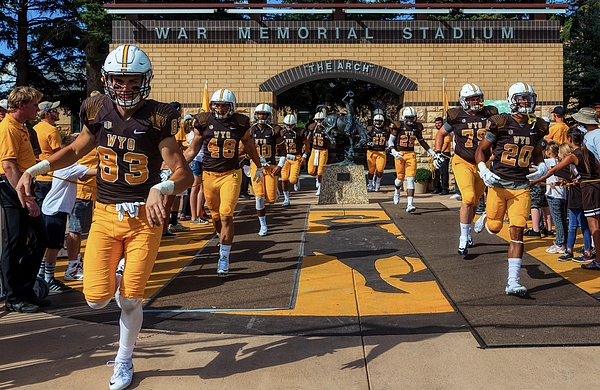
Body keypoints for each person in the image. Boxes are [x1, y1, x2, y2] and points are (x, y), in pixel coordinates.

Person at [15, 45, 193, 390]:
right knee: (96, 299)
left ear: (145, 80)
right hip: (106, 215)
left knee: (129, 298)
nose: (125, 87)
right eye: (118, 80)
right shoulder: (96, 107)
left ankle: (124, 359)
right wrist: (36, 168)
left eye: (132, 80)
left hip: (145, 217)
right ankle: (120, 272)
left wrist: (163, 187)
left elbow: (183, 173)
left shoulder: (159, 116)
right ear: (107, 80)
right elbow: (76, 148)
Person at [474, 82, 548, 296]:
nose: (526, 102)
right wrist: (482, 169)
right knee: (496, 228)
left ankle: (513, 282)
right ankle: (487, 217)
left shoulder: (539, 126)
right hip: (498, 184)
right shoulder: (500, 122)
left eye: (528, 98)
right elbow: (481, 150)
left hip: (521, 187)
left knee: (517, 233)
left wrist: (541, 166)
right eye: (521, 98)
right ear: (512, 100)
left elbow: (536, 153)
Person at [184, 88, 263, 276]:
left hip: (231, 174)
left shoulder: (240, 122)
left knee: (227, 214)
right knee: (216, 217)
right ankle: (223, 240)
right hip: (209, 174)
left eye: (224, 105)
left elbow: (249, 145)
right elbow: (192, 149)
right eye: (217, 105)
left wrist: (258, 166)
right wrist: (174, 166)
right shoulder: (203, 121)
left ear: (232, 106)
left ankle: (224, 256)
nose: (220, 109)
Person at [0, 86, 49, 313]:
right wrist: (27, 198)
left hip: (24, 186)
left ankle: (26, 289)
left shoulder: (21, 128)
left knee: (39, 237)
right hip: (12, 188)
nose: (37, 109)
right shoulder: (8, 128)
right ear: (21, 105)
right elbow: (9, 167)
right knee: (15, 243)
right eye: (34, 105)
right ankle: (13, 296)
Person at [436, 83, 498, 255]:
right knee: (469, 198)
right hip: (462, 160)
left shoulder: (490, 113)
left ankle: (468, 233)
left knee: (475, 202)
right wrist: (437, 152)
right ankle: (463, 238)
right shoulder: (456, 115)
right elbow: (441, 133)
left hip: (483, 164)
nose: (475, 102)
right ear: (464, 101)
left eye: (477, 98)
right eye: (471, 99)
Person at [533, 128, 599, 266]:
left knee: (594, 227)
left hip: (588, 191)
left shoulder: (573, 155)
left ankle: (597, 260)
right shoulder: (587, 152)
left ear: (570, 139)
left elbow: (554, 170)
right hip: (594, 188)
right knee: (593, 226)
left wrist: (534, 181)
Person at [39, 135, 96, 290]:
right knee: (54, 246)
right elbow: (93, 173)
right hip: (56, 209)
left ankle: (42, 275)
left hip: (55, 208)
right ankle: (48, 278)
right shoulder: (71, 166)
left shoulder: (64, 165)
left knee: (51, 244)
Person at [389, 106, 439, 213]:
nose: (411, 120)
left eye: (412, 118)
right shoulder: (398, 126)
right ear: (404, 117)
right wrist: (393, 151)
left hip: (411, 154)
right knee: (400, 179)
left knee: (411, 179)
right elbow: (390, 141)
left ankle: (410, 204)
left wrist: (433, 153)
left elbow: (421, 141)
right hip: (400, 153)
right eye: (409, 118)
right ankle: (397, 190)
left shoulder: (417, 127)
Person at [248, 103, 283, 235]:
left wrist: (280, 165)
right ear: (256, 115)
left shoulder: (274, 130)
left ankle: (275, 190)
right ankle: (263, 225)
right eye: (260, 114)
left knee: (271, 199)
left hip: (270, 165)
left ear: (269, 115)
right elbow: (245, 147)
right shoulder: (250, 130)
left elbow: (283, 150)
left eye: (264, 114)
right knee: (259, 197)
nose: (261, 116)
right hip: (256, 166)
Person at [33, 100, 62, 206]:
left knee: (40, 209)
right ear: (47, 113)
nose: (58, 113)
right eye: (55, 110)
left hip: (37, 176)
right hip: (52, 176)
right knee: (53, 210)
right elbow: (59, 154)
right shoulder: (52, 130)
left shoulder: (33, 129)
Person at [542, 142, 568, 254]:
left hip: (553, 194)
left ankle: (559, 243)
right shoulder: (562, 162)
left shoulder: (547, 162)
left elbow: (541, 170)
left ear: (548, 152)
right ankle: (565, 242)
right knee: (563, 220)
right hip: (563, 194)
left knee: (557, 220)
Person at [185, 114, 209, 224]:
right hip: (197, 160)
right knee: (196, 189)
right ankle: (194, 216)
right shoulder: (195, 135)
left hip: (199, 160)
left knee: (200, 189)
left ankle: (197, 214)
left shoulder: (190, 134)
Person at [279, 114, 307, 206]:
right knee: (284, 178)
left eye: (290, 125)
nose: (289, 126)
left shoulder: (299, 132)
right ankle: (286, 198)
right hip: (285, 158)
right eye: (287, 125)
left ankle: (296, 179)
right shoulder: (282, 133)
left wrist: (304, 156)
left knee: (292, 180)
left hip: (296, 157)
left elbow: (306, 144)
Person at [306, 111, 333, 196]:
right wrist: (305, 145)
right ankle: (317, 178)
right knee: (310, 170)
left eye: (320, 120)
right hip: (314, 150)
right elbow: (308, 137)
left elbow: (332, 139)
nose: (319, 122)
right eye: (317, 120)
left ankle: (320, 187)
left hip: (323, 150)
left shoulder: (327, 128)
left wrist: (328, 137)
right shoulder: (312, 127)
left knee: (320, 171)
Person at [366, 113, 390, 192]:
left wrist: (388, 146)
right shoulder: (370, 129)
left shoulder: (386, 129)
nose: (378, 123)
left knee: (380, 169)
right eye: (377, 121)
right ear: (374, 121)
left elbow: (390, 139)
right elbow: (364, 139)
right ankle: (370, 184)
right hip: (371, 151)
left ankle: (378, 182)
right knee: (371, 170)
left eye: (380, 121)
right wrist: (368, 143)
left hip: (381, 152)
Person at [431, 116, 451, 195]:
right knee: (436, 172)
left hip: (444, 153)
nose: (438, 125)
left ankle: (445, 189)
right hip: (437, 153)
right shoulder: (437, 132)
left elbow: (446, 143)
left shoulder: (446, 132)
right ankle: (437, 188)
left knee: (443, 172)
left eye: (439, 123)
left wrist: (440, 152)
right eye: (436, 123)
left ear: (442, 123)